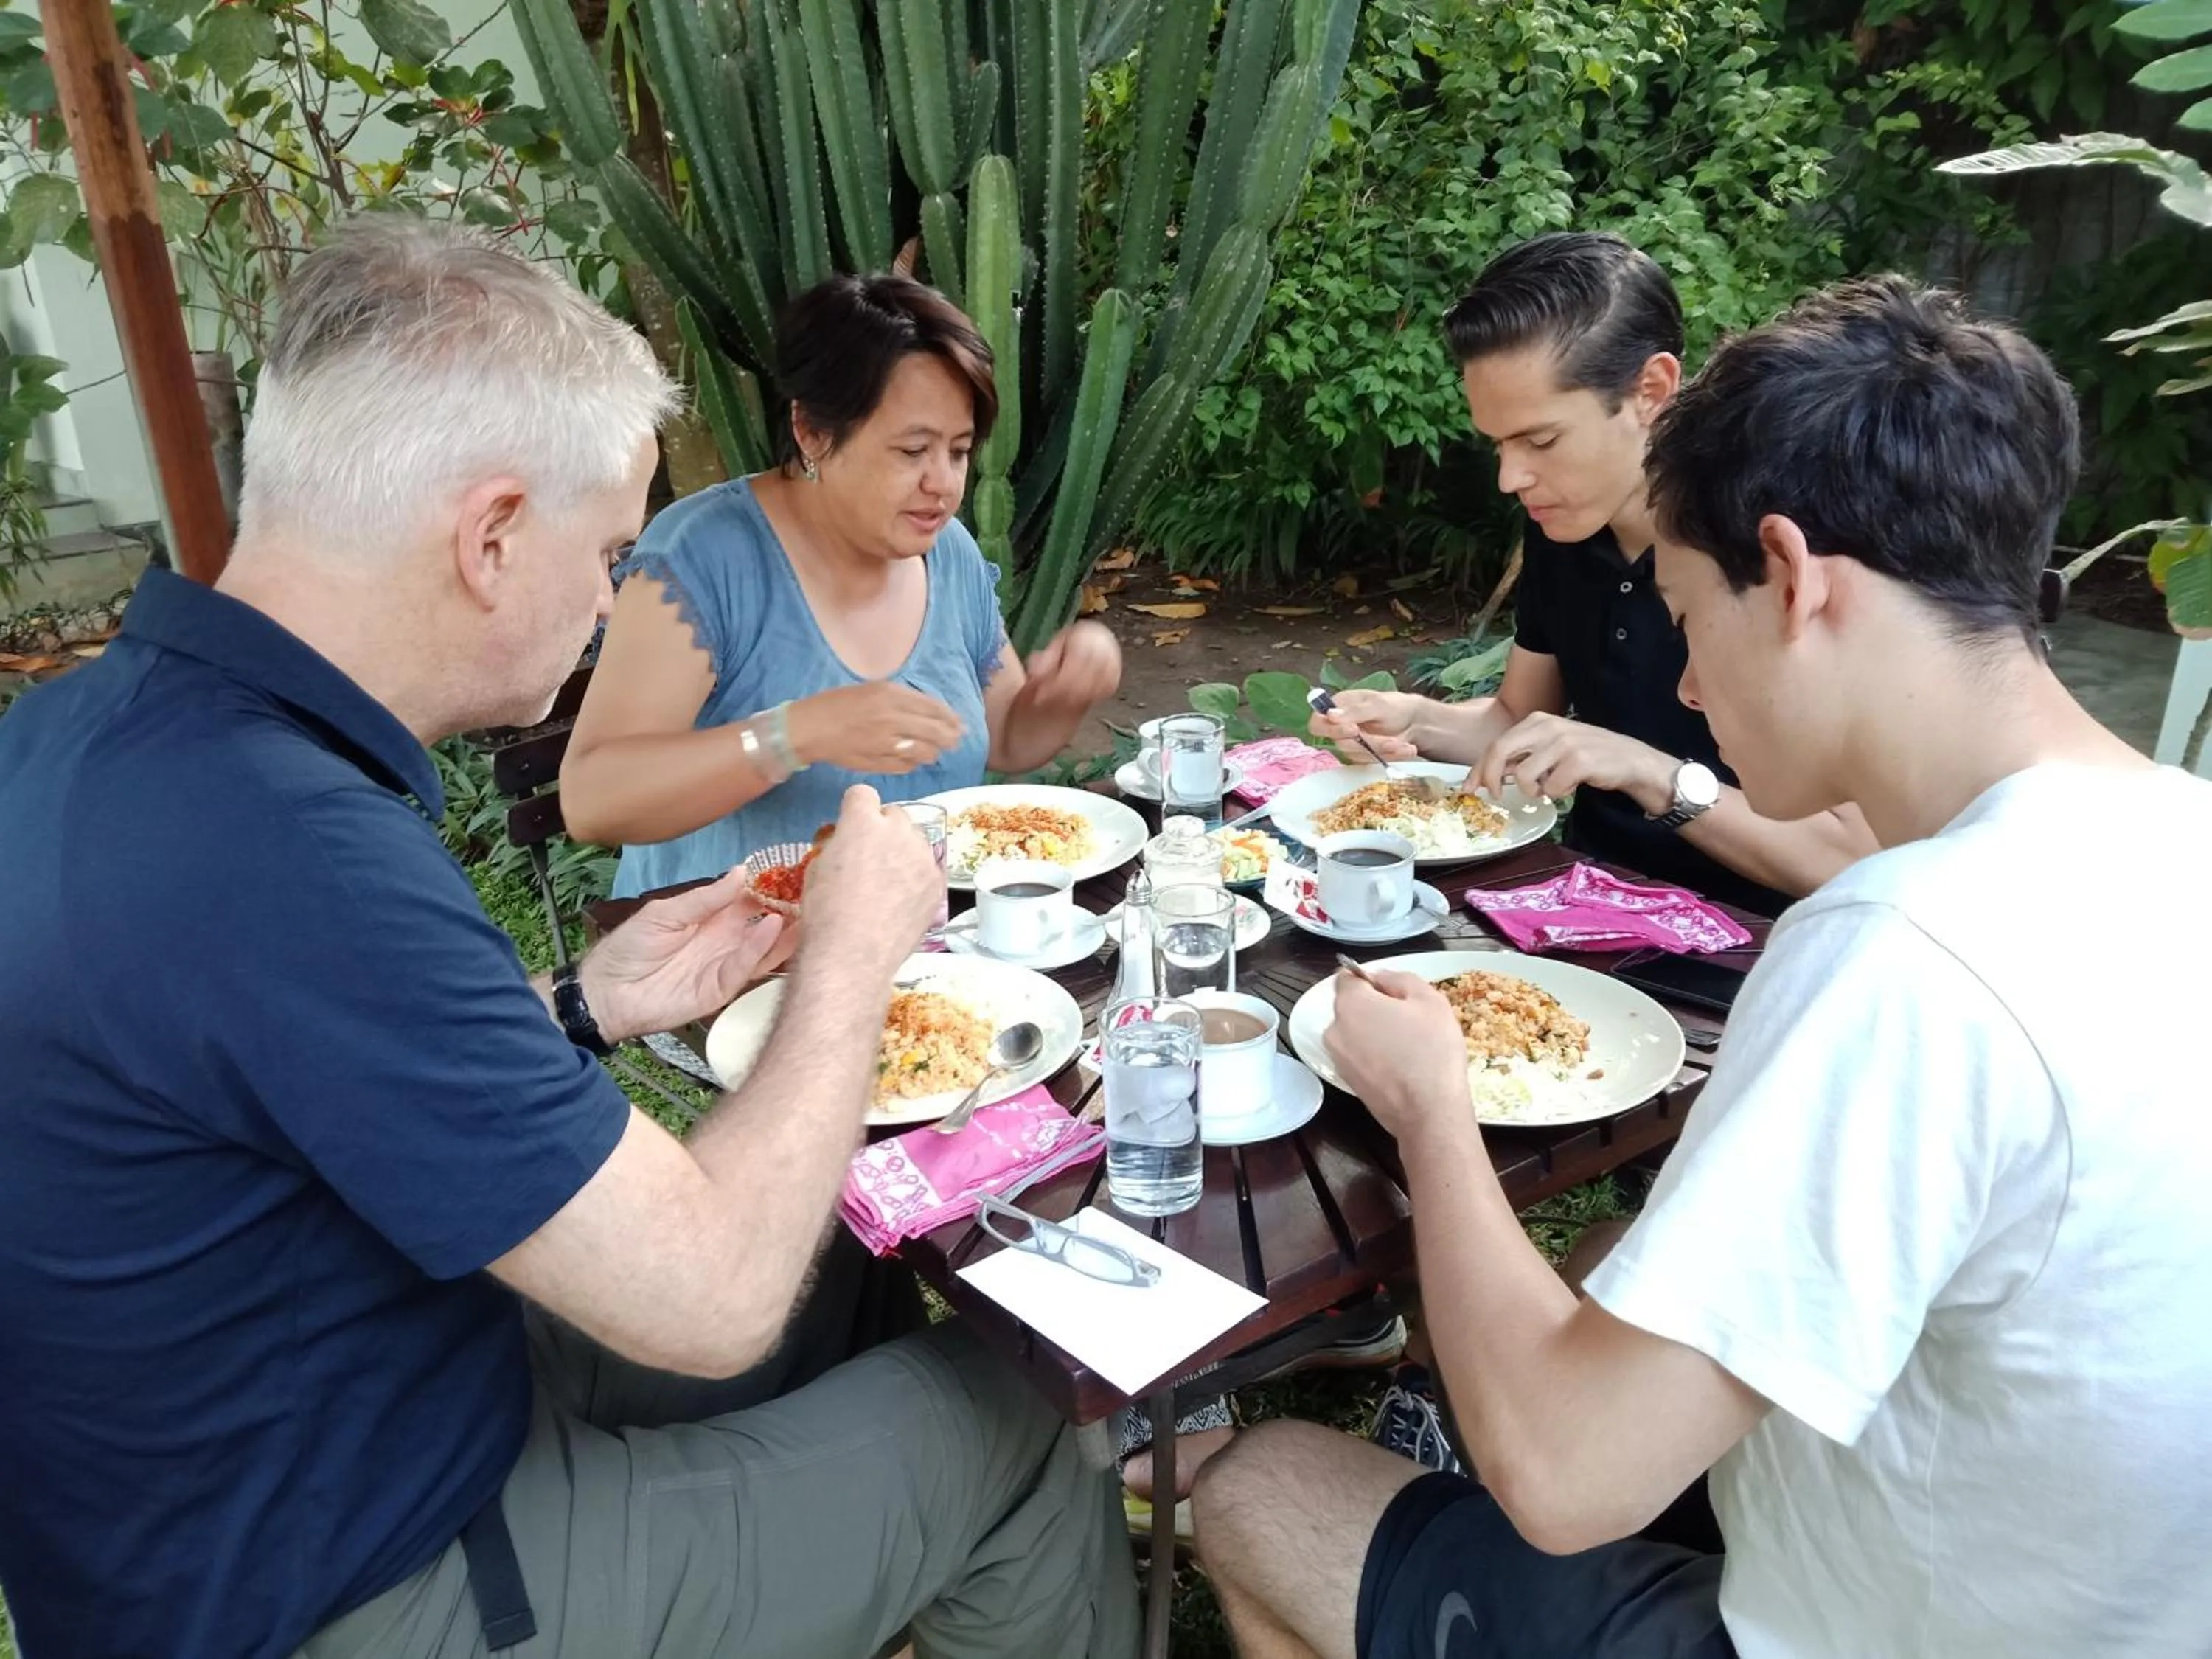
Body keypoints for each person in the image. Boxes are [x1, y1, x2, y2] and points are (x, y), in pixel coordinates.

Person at [0, 219, 1136, 1659]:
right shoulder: (293, 849)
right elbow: (713, 1296)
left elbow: (269, 1080)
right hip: (357, 1587)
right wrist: (848, 953)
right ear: (488, 538)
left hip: (307, 1439)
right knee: (1028, 1410)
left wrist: (582, 1000)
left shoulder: (95, 739)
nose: (613, 602)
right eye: (605, 553)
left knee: (839, 1272)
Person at [1189, 276, 2212, 1658]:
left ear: (1789, 578)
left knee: (1261, 1489)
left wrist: (1431, 1107)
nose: (1680, 687)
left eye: (1685, 613)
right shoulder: (2177, 829)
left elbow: (1561, 1477)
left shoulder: (1903, 949)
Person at [1310, 232, 1877, 916]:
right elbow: (1521, 717)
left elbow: (1851, 858)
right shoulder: (1563, 526)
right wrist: (1416, 718)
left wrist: (1647, 771)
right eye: (1500, 443)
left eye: (1541, 440)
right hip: (1578, 900)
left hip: (1751, 945)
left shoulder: (1768, 558)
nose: (1511, 477)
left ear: (1652, 389)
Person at [559, 272, 1121, 897]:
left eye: (959, 452)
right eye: (913, 452)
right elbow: (595, 800)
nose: (943, 483)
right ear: (812, 433)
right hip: (728, 962)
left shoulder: (948, 554)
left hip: (922, 951)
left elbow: (1011, 738)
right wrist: (796, 733)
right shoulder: (703, 556)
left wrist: (1065, 692)